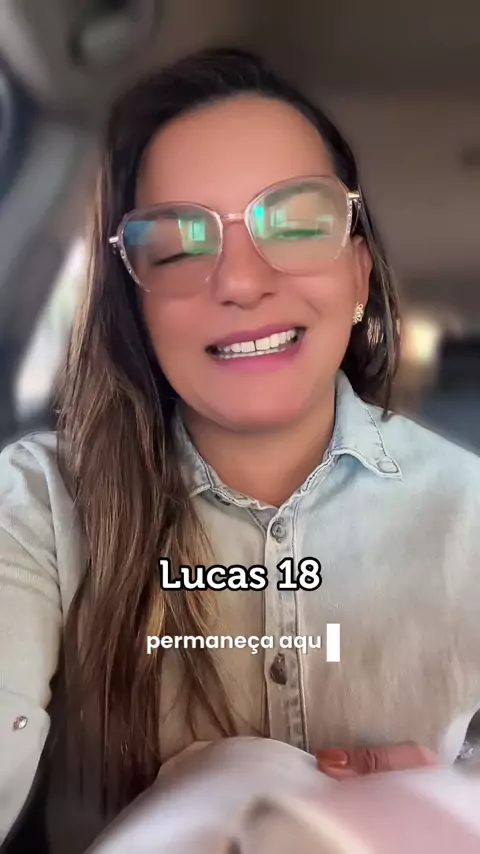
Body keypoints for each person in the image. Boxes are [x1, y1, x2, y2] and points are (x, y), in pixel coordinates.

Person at [0, 47, 479, 853]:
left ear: (359, 276)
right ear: (135, 301)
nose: (241, 282)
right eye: (177, 245)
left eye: (296, 224)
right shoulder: (38, 505)